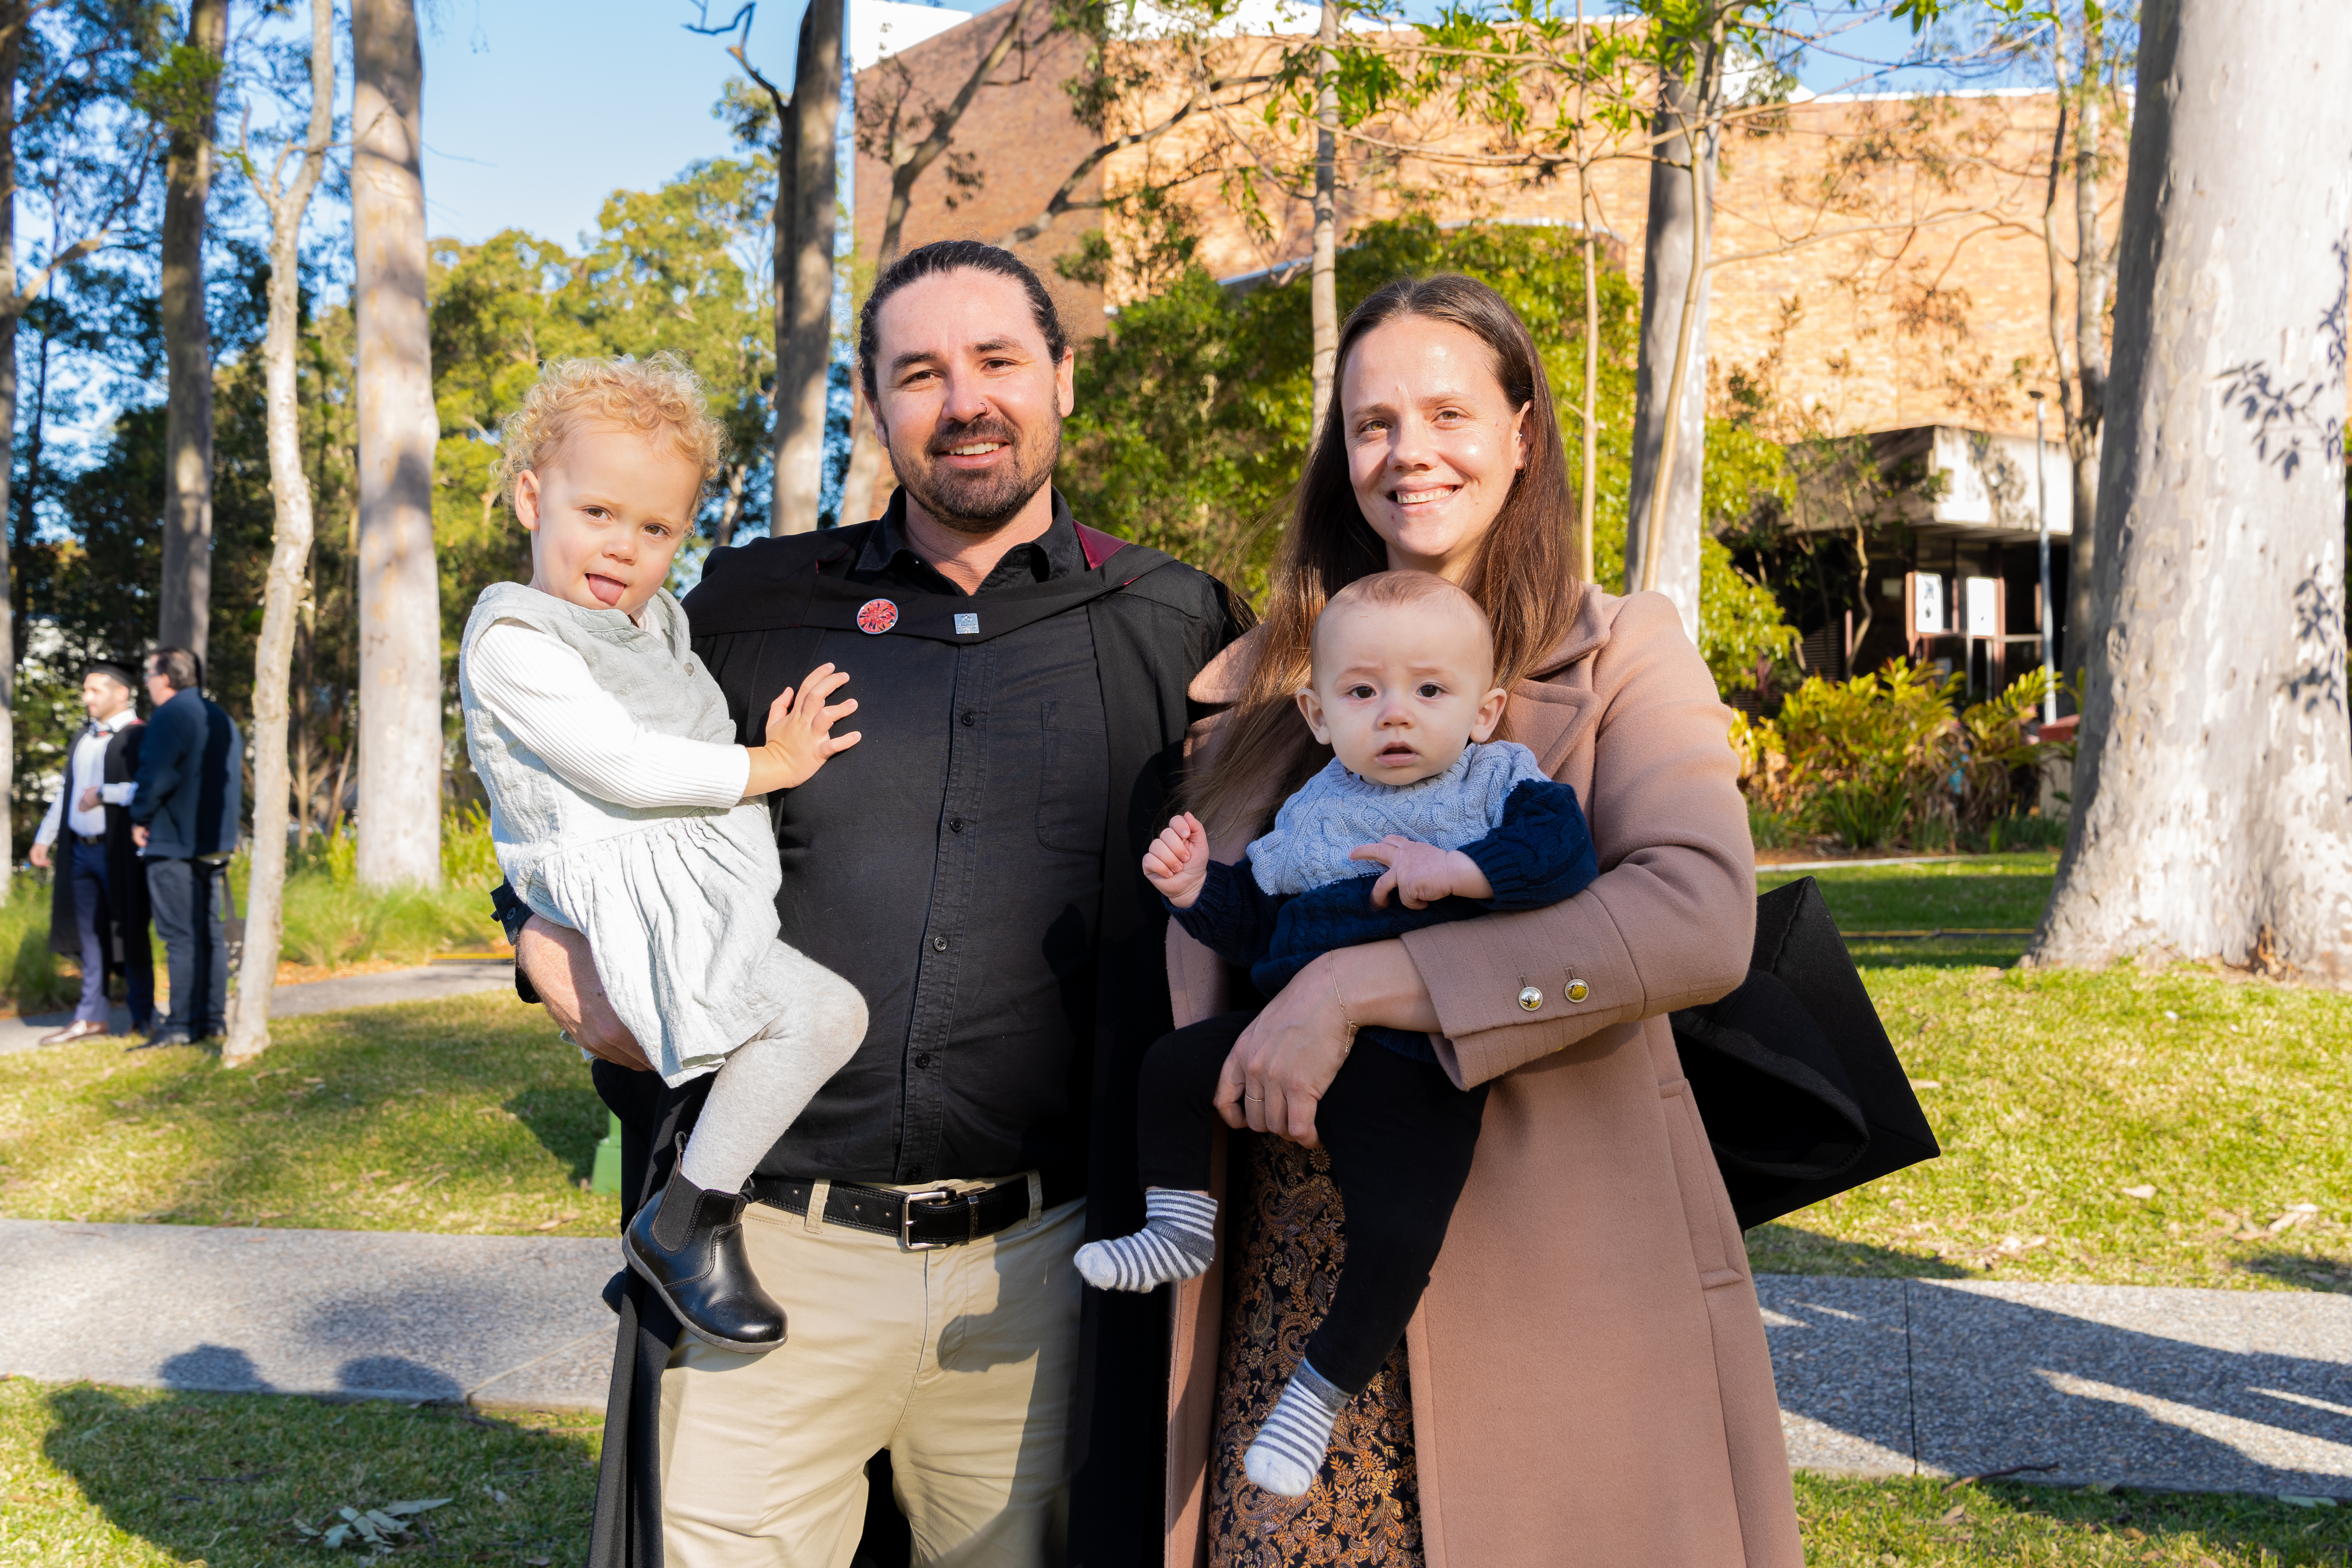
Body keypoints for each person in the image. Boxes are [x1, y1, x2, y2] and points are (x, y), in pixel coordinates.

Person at [503, 241, 1248, 1568]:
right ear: (872, 406)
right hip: (768, 1253)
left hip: (1044, 1276)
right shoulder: (744, 610)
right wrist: (548, 956)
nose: (965, 399)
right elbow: (565, 778)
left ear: (1061, 380)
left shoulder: (1175, 627)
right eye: (920, 373)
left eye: (998, 361)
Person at [1162, 274, 1803, 1565]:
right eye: (1372, 423)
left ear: (1522, 430)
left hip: (1540, 1272)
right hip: (1285, 1279)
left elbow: (1694, 914)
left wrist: (1358, 989)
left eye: (1449, 412)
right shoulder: (1262, 690)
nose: (1409, 453)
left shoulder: (1622, 652)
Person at [1076, 569, 1597, 1497]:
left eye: (1429, 691)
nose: (1395, 714)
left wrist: (1464, 873)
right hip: (1287, 1038)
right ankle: (1178, 1223)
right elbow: (1258, 926)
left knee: (1398, 1234)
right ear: (1318, 715)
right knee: (1169, 1066)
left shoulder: (1494, 781)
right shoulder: (1313, 806)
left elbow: (1561, 853)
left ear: (1484, 711)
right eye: (1363, 693)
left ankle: (1314, 1398)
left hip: (1416, 1063)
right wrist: (1200, 889)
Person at [458, 353, 869, 1351]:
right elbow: (628, 767)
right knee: (820, 1017)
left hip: (681, 892)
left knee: (778, 1036)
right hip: (624, 899)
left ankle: (671, 1242)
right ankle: (682, 1226)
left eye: (654, 529)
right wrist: (768, 762)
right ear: (529, 496)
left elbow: (684, 723)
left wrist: (753, 741)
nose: (622, 547)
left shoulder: (647, 626)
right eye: (597, 512)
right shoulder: (514, 638)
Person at [30, 661, 152, 1043]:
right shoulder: (83, 738)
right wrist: (43, 837)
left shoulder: (140, 736)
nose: (86, 698)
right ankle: (91, 1016)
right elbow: (66, 792)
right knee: (89, 937)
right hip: (79, 853)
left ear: (122, 693)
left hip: (118, 853)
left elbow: (151, 789)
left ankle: (143, 1015)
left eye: (94, 690)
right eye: (85, 690)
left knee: (130, 931)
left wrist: (105, 794)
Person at [129, 647, 241, 1049]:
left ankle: (179, 1025)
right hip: (214, 842)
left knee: (180, 936)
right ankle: (211, 1020)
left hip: (175, 842)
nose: (146, 682)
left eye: (149, 674)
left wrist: (139, 818)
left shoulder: (171, 716)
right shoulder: (219, 715)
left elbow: (155, 776)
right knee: (209, 932)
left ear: (166, 678)